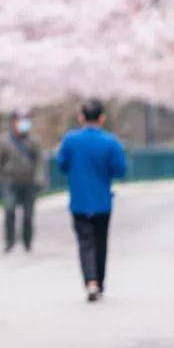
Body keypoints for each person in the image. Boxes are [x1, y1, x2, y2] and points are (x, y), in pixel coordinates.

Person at [56, 98, 127, 303]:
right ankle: (100, 282)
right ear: (102, 118)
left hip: (79, 200)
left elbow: (61, 165)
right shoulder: (110, 142)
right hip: (102, 201)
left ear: (81, 117)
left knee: (85, 242)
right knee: (100, 241)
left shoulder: (70, 140)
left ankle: (91, 281)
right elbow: (120, 169)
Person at [0, 111, 47, 253]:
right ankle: (9, 241)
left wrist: (39, 178)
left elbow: (40, 162)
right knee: (9, 210)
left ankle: (27, 241)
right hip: (10, 181)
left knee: (28, 214)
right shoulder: (4, 141)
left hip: (29, 181)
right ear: (12, 123)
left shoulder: (34, 141)